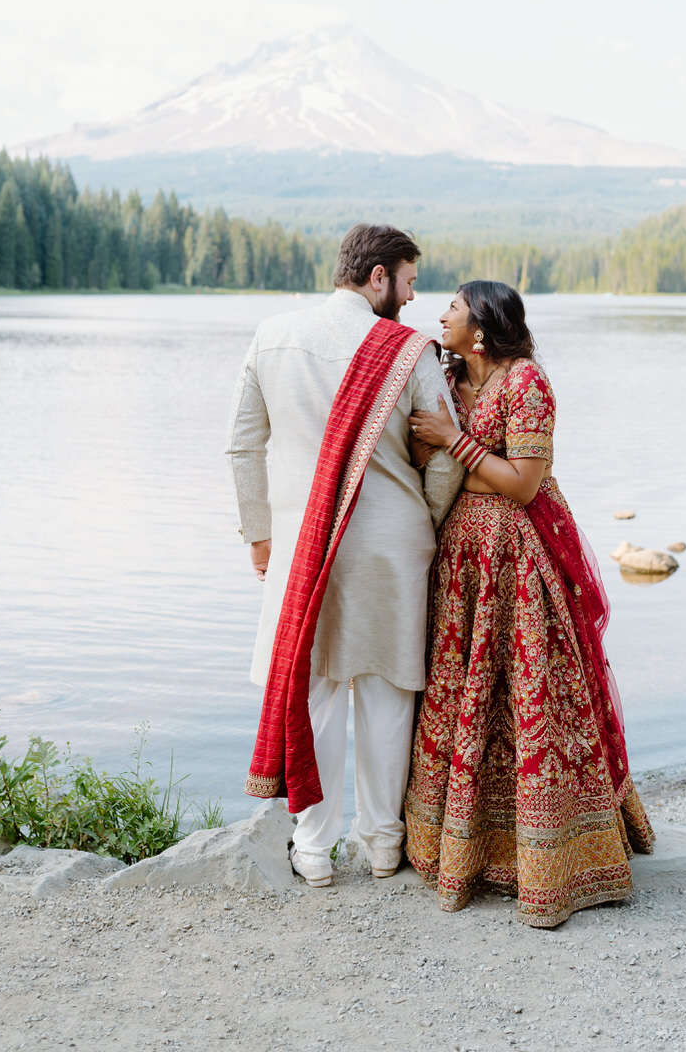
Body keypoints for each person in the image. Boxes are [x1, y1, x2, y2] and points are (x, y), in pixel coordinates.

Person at [404, 280, 654, 928]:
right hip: (467, 569)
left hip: (517, 561)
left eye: (453, 308)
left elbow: (522, 483)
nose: (441, 315)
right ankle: (467, 849)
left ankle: (551, 860)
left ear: (482, 326)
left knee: (530, 700)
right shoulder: (460, 379)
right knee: (468, 700)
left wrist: (452, 441)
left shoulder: (526, 383)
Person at [225, 224, 463, 889]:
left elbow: (242, 447)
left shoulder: (271, 335)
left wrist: (260, 535)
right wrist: (425, 522)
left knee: (317, 693)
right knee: (388, 693)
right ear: (379, 277)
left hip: (304, 545)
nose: (414, 300)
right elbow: (443, 457)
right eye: (410, 282)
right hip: (390, 546)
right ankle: (383, 845)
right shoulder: (410, 351)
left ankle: (313, 849)